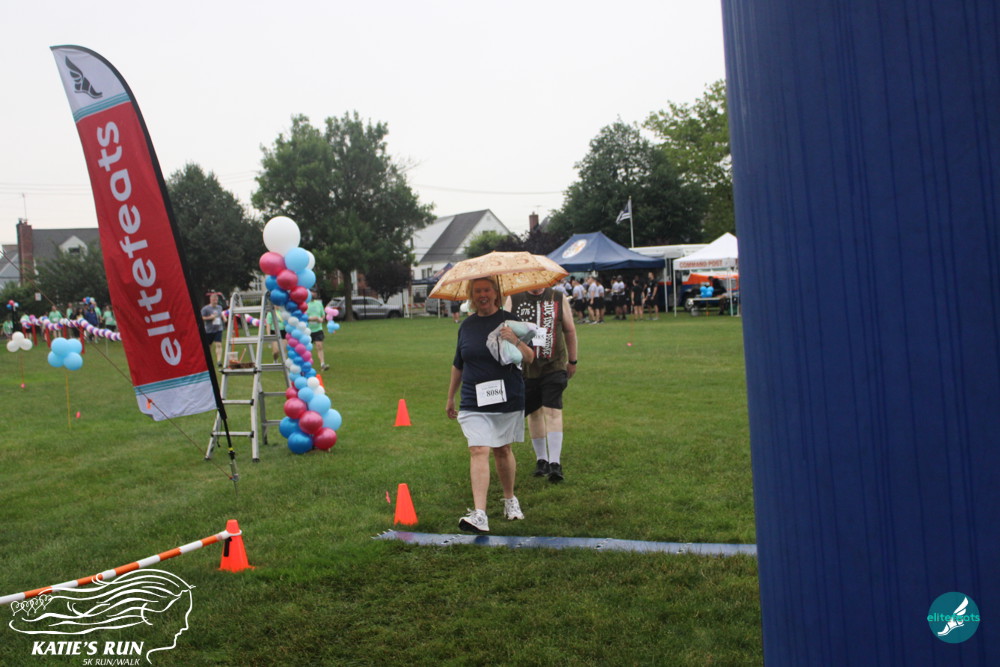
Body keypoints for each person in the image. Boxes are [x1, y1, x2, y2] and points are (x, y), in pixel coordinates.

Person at [446, 277, 534, 533]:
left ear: (496, 293)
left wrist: (515, 340)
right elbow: (458, 363)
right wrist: (450, 396)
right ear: (472, 296)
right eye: (477, 291)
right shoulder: (466, 326)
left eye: (486, 290)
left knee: (502, 449)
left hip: (507, 396)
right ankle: (480, 514)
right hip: (473, 398)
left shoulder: (511, 321)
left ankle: (510, 499)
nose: (482, 295)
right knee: (478, 449)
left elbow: (530, 357)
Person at [505, 286, 578, 482]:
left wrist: (572, 360)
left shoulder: (557, 297)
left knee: (552, 410)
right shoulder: (514, 298)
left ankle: (555, 463)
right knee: (534, 412)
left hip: (553, 364)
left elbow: (569, 330)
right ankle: (542, 460)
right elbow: (503, 329)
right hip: (526, 366)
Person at [306, 289, 329, 371]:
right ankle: (307, 364)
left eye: (315, 293)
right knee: (307, 348)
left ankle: (322, 364)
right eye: (312, 293)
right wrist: (314, 318)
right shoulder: (305, 304)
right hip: (307, 330)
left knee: (319, 346)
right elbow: (303, 317)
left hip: (318, 329)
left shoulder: (319, 304)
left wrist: (321, 319)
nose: (314, 294)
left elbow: (323, 315)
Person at [201, 293, 226, 367]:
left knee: (218, 344)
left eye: (216, 300)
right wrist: (210, 317)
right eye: (214, 300)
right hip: (209, 330)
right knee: (208, 347)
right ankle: (207, 362)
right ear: (210, 300)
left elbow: (220, 314)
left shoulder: (219, 307)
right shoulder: (206, 309)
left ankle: (219, 361)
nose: (215, 301)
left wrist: (224, 317)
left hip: (218, 329)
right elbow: (201, 317)